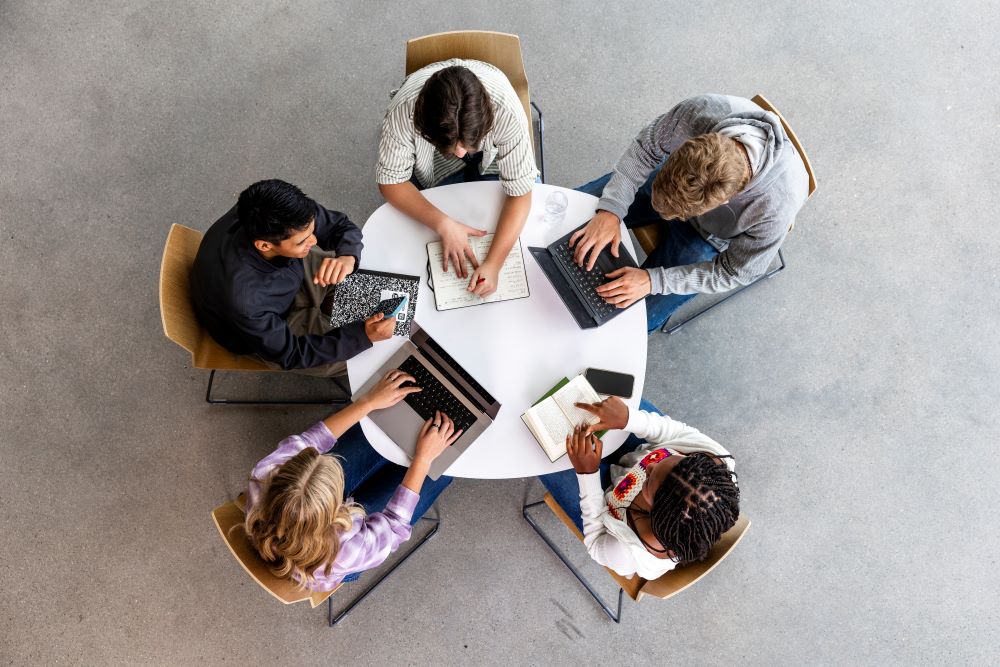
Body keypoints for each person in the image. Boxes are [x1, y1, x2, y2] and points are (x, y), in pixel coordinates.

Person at [570, 94, 810, 332]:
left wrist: (654, 281)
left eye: (675, 215)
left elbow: (735, 272)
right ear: (685, 146)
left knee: (629, 323)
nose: (665, 218)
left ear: (726, 201)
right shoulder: (698, 113)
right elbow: (646, 149)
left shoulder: (776, 208)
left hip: (708, 236)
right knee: (570, 214)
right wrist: (611, 209)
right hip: (673, 186)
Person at [245, 369, 459, 590]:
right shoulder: (346, 553)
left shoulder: (266, 474)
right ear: (334, 506)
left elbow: (309, 441)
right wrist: (423, 459)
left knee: (379, 428)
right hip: (335, 555)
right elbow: (394, 526)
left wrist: (368, 402)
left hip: (312, 529)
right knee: (444, 467)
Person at [190, 179, 395, 377]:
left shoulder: (274, 209)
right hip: (266, 328)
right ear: (264, 245)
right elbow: (292, 354)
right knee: (367, 354)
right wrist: (363, 337)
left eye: (312, 230)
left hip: (284, 275)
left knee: (386, 296)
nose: (314, 240)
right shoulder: (245, 302)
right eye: (303, 241)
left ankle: (332, 306)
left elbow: (339, 226)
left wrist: (347, 257)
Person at [376, 59, 538, 298]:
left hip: (492, 150)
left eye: (466, 146)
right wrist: (444, 223)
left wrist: (494, 264)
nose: (461, 154)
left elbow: (521, 192)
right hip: (432, 157)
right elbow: (390, 181)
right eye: (455, 148)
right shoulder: (404, 110)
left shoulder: (507, 112)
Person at [538, 396, 739, 580]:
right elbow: (677, 432)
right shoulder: (713, 459)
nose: (650, 466)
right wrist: (629, 419)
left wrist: (587, 474)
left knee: (541, 446)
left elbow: (596, 544)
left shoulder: (629, 552)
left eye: (649, 478)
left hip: (601, 499)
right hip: (636, 454)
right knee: (600, 397)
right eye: (666, 460)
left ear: (655, 511)